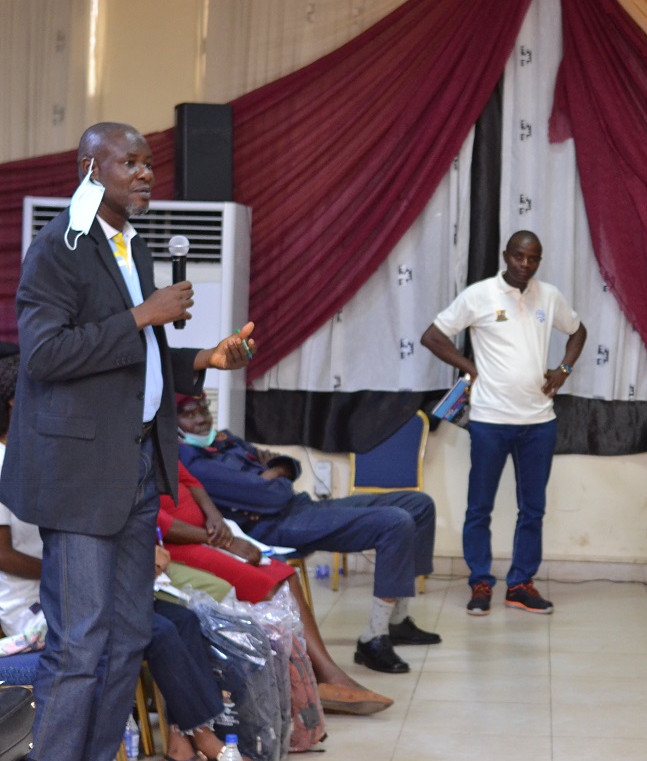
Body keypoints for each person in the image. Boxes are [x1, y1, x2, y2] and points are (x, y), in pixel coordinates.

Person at [0, 122, 256, 761]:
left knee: (127, 640)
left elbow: (131, 362)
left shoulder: (128, 243)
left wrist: (204, 358)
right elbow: (48, 355)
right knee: (81, 642)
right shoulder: (60, 246)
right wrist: (143, 316)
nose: (146, 175)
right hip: (80, 475)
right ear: (91, 168)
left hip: (135, 467)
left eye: (148, 164)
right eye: (130, 164)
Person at [174, 393, 441, 675]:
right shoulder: (192, 460)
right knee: (395, 522)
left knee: (419, 505)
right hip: (272, 527)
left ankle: (397, 620)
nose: (201, 418)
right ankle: (373, 639)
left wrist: (274, 471)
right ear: (173, 422)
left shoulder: (223, 439)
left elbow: (291, 465)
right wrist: (273, 477)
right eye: (189, 415)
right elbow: (272, 496)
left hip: (297, 508)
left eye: (203, 408)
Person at [420, 230, 587, 616]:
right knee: (480, 507)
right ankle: (480, 582)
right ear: (505, 255)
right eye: (518, 257)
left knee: (533, 509)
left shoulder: (549, 296)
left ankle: (520, 584)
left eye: (533, 259)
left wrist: (563, 369)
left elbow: (578, 331)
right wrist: (469, 368)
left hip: (539, 422)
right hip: (490, 421)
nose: (525, 265)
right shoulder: (479, 295)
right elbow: (433, 336)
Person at [159, 461, 394, 715]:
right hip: (177, 546)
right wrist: (220, 540)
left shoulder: (159, 441)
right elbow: (156, 520)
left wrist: (216, 519)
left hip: (211, 533)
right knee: (267, 588)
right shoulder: (125, 454)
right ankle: (305, 683)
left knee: (285, 575)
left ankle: (323, 673)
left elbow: (191, 482)